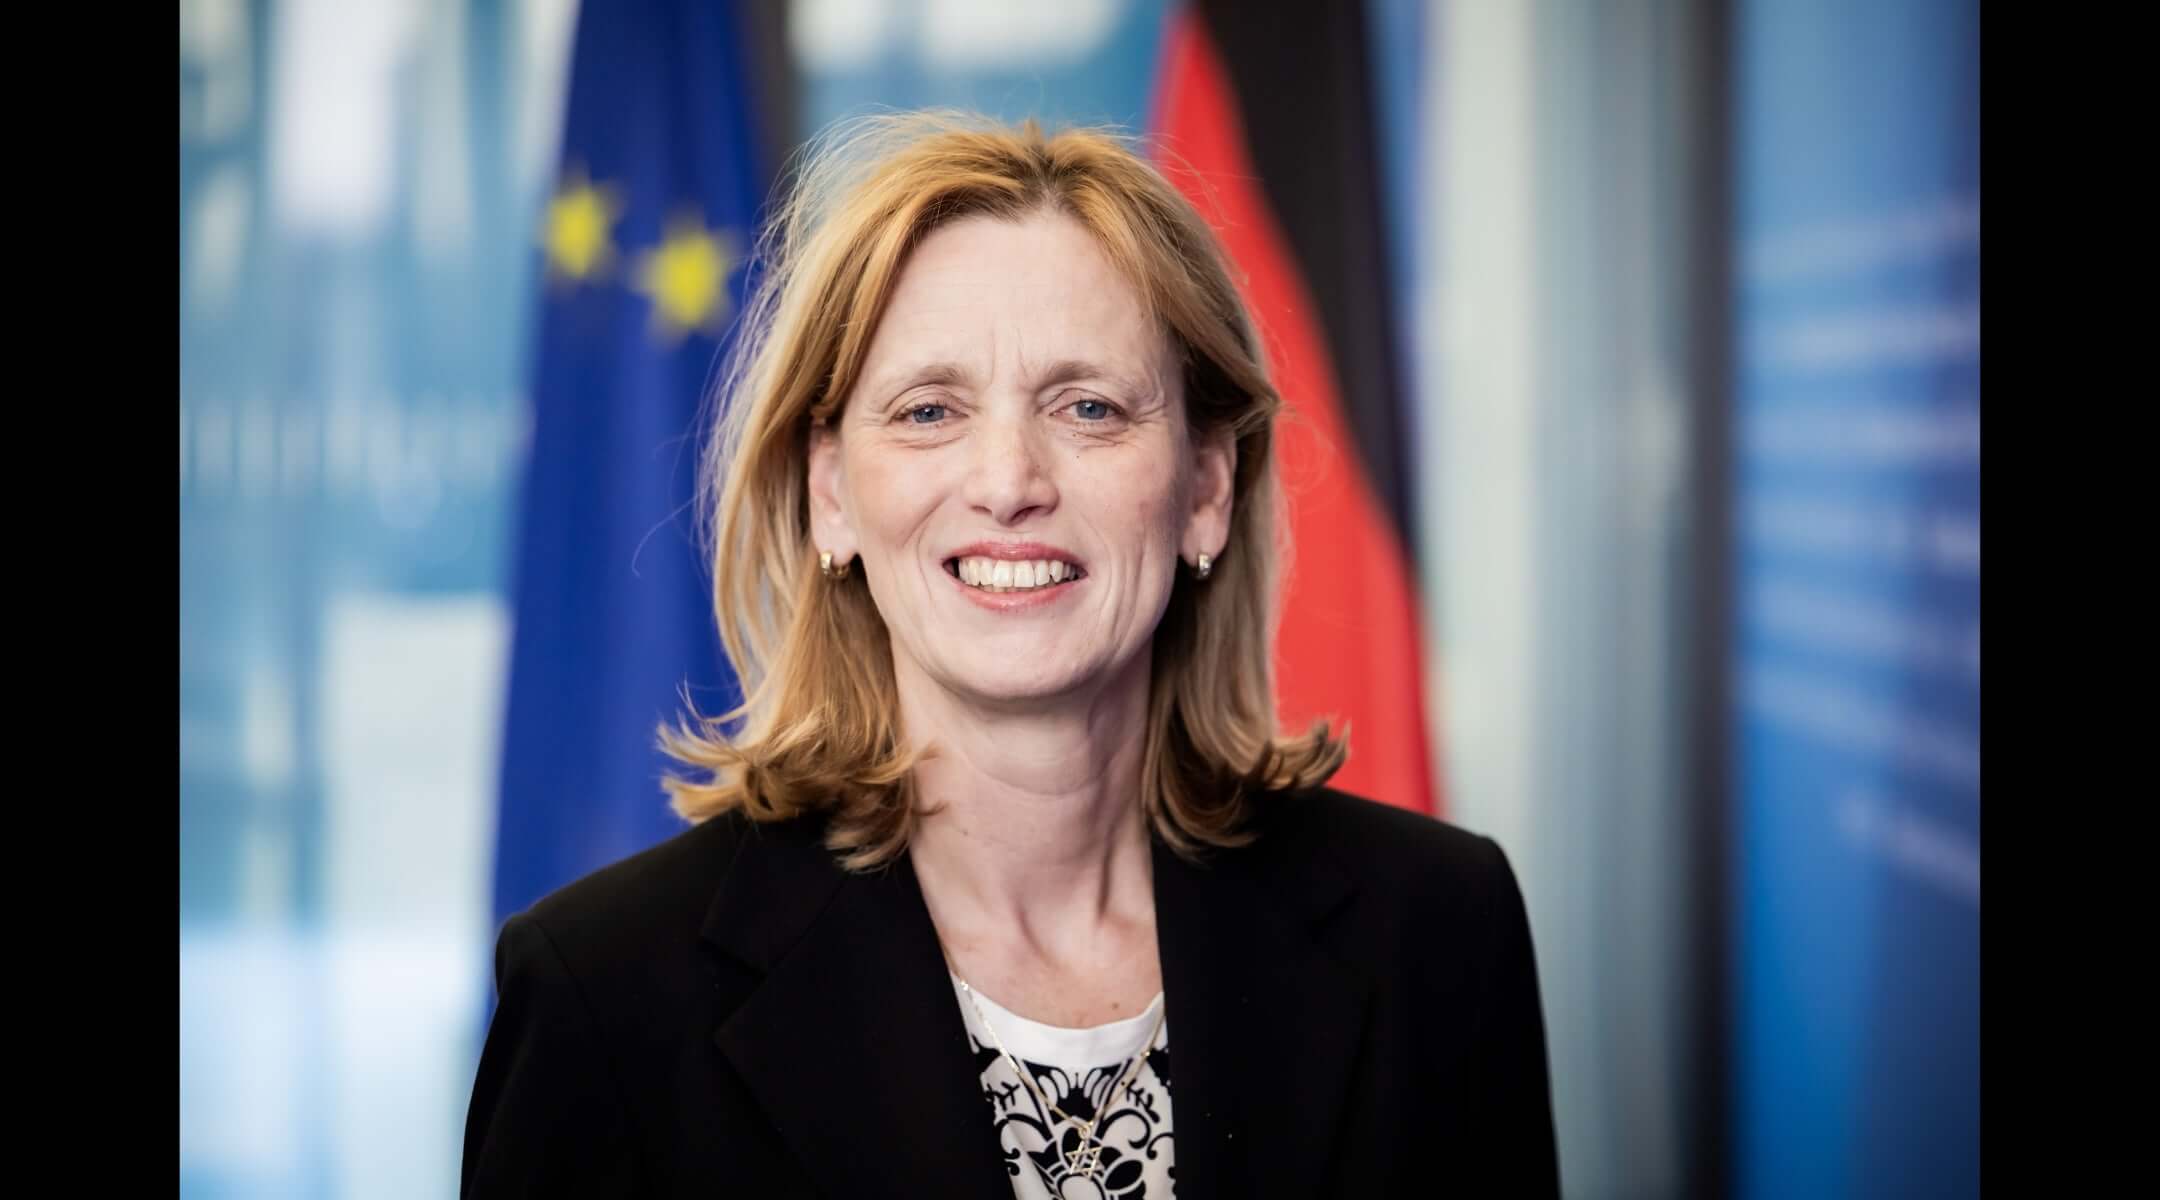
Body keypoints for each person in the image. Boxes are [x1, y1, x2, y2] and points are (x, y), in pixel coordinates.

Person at [462, 112, 1559, 1198]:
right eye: (930, 410)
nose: (1008, 482)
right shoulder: (604, 994)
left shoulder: (1439, 929)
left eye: (1088, 407)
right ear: (832, 494)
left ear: (1208, 489)